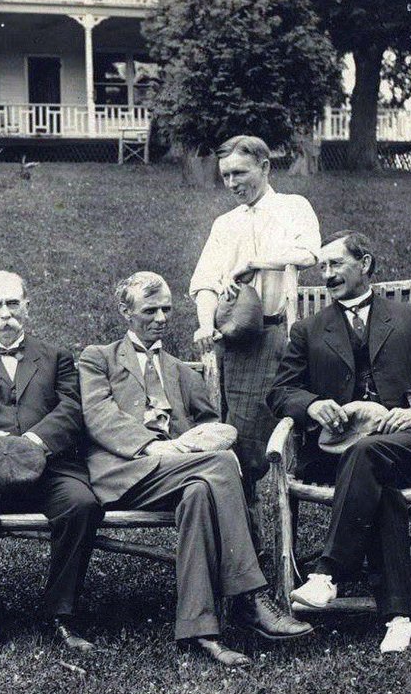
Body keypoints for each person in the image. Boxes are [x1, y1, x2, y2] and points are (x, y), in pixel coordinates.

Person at [80, 272, 312, 667]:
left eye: (167, 310)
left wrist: (195, 440)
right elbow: (98, 416)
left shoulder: (181, 371)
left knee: (201, 493)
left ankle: (200, 629)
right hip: (124, 472)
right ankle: (251, 596)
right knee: (220, 465)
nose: (160, 319)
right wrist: (157, 446)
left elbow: (209, 424)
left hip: (181, 474)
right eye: (149, 310)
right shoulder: (97, 358)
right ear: (125, 312)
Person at [267, 232, 411, 653]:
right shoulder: (308, 330)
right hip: (342, 450)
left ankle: (327, 573)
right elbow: (281, 392)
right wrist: (313, 404)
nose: (327, 274)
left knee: (368, 454)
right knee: (381, 491)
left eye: (337, 264)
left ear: (366, 263)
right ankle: (400, 616)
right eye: (322, 267)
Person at [0, 271, 104, 657]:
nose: (5, 313)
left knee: (82, 504)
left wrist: (34, 442)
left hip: (47, 467)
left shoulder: (56, 357)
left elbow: (72, 410)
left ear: (27, 307)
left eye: (13, 304)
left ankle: (60, 614)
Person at [189, 135, 321, 533]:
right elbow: (204, 282)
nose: (231, 183)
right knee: (228, 442)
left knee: (258, 448)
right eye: (225, 175)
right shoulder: (225, 224)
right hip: (231, 341)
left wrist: (255, 264)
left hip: (273, 336)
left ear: (265, 167)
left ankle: (260, 543)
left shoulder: (291, 208)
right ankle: (245, 540)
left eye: (239, 173)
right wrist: (206, 322)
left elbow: (310, 253)